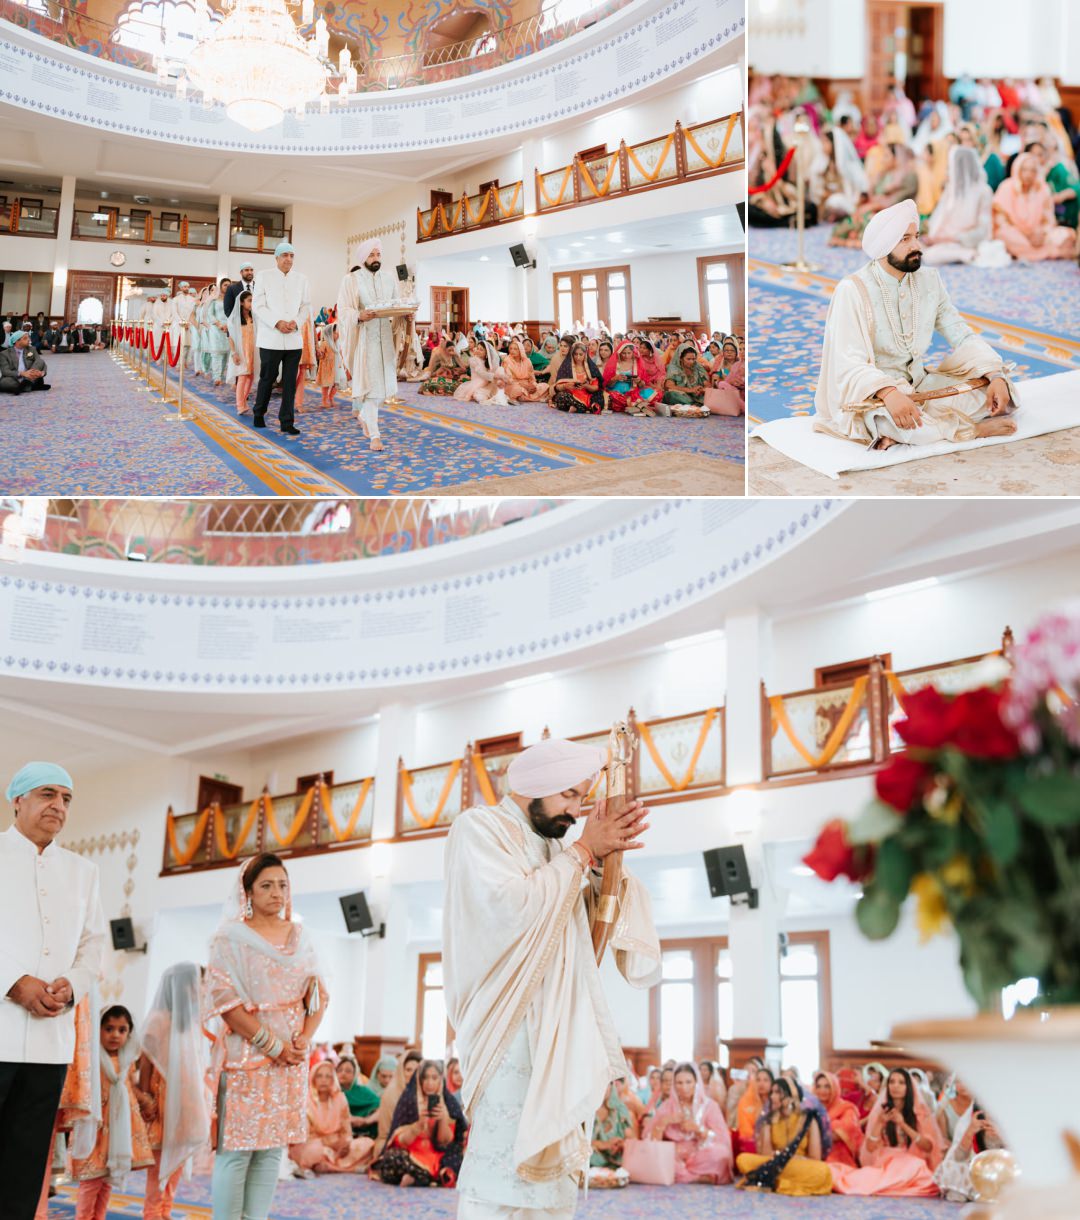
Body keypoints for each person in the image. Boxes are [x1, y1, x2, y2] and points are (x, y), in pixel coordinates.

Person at [445, 736, 660, 1218]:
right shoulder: (480, 828)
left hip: (556, 1024)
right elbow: (508, 910)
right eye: (568, 796)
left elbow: (577, 933)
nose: (575, 810)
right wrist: (584, 853)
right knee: (503, 1183)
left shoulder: (556, 847)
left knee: (550, 1193)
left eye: (582, 798)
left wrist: (608, 871)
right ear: (532, 785)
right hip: (507, 1025)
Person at [814, 198, 1019, 450]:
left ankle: (925, 430)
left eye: (916, 236)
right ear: (883, 246)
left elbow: (960, 332)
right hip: (877, 394)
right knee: (887, 420)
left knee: (997, 394)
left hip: (921, 385)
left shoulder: (929, 281)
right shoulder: (853, 290)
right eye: (904, 239)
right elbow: (848, 362)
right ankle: (970, 430)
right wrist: (889, 393)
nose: (916, 246)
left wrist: (994, 375)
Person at [1, 762, 106, 1220]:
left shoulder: (83, 872)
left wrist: (74, 983)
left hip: (51, 1042)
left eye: (66, 799)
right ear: (18, 800)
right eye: (47, 795)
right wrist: (13, 983)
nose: (58, 806)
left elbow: (95, 945)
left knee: (25, 1167)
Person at [204, 853, 328, 1220]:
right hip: (247, 1058)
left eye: (283, 885)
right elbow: (225, 1002)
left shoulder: (301, 937)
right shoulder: (229, 938)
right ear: (248, 892)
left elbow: (318, 995)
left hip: (289, 1061)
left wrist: (304, 1039)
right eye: (267, 886)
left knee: (272, 1149)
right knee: (237, 1151)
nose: (277, 893)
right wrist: (273, 1045)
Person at [137, 962, 210, 1220]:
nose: (201, 990)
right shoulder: (159, 1019)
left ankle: (166, 1209)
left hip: (186, 1099)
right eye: (197, 984)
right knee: (159, 1163)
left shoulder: (189, 1021)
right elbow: (146, 1059)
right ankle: (152, 1212)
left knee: (178, 1156)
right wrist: (145, 1096)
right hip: (163, 1098)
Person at [72, 1005, 153, 1220]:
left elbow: (128, 1090)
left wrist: (143, 1101)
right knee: (90, 1182)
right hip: (95, 1130)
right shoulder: (91, 1059)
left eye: (121, 1030)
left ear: (129, 1033)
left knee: (107, 1181)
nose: (115, 1035)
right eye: (108, 1028)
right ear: (97, 1029)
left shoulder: (127, 1062)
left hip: (118, 1132)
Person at [337, 237, 412, 452]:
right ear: (363, 258)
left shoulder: (389, 280)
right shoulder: (351, 280)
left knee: (380, 389)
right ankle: (375, 435)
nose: (376, 258)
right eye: (371, 255)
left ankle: (364, 416)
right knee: (370, 388)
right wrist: (359, 315)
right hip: (364, 341)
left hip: (385, 340)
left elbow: (396, 305)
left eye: (378, 254)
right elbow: (343, 311)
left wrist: (405, 315)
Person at [830, 1067, 943, 1196]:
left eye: (901, 1083)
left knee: (922, 1173)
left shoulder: (919, 1112)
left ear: (909, 1087)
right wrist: (880, 1123)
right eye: (892, 1082)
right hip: (887, 1159)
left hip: (910, 1160)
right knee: (859, 1180)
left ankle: (891, 1185)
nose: (895, 1086)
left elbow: (928, 1147)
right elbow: (870, 1148)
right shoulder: (881, 1111)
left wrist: (903, 1124)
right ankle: (891, 1184)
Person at [375, 1059, 468, 1187]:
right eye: (425, 1078)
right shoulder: (409, 1100)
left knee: (458, 1160)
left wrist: (442, 1119)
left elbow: (445, 1143)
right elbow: (401, 1141)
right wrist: (417, 1126)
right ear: (419, 1079)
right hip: (413, 1152)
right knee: (391, 1159)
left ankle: (419, 1176)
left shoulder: (448, 1102)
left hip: (438, 1154)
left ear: (441, 1080)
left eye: (434, 1078)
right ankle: (429, 1177)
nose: (429, 1083)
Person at [735, 1076, 832, 1196]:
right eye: (772, 1092)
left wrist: (793, 1159)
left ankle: (776, 1180)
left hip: (799, 1165)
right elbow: (766, 1155)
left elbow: (815, 1157)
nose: (772, 1097)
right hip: (775, 1163)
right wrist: (768, 1123)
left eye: (777, 1093)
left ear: (791, 1096)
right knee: (743, 1159)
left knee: (823, 1170)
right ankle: (781, 1180)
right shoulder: (770, 1119)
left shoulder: (808, 1120)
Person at [252, 242, 311, 438]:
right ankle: (259, 412)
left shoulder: (301, 279)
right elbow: (258, 306)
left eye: (292, 255)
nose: (289, 259)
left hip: (293, 339)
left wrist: (296, 322)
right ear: (276, 258)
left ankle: (287, 421)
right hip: (271, 338)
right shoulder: (263, 276)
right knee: (267, 378)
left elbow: (306, 306)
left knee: (289, 383)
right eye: (285, 255)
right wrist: (276, 322)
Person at [649, 1062, 732, 1184]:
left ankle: (683, 1175)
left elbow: (721, 1138)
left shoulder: (709, 1106)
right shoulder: (667, 1107)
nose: (684, 1087)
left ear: (696, 1083)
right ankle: (698, 1177)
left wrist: (698, 1129)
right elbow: (652, 1141)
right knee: (656, 1157)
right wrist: (665, 1121)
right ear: (674, 1085)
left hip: (701, 1154)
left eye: (688, 1082)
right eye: (679, 1083)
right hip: (674, 1156)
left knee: (721, 1154)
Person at [288, 1061, 376, 1175]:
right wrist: (328, 1144)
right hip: (315, 1144)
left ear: (333, 1079)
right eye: (319, 1076)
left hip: (338, 1145)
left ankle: (327, 1166)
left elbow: (346, 1129)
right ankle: (347, 1167)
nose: (324, 1080)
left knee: (367, 1144)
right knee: (313, 1151)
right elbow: (304, 1136)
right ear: (313, 1078)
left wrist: (345, 1143)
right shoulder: (306, 1101)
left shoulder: (340, 1099)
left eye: (328, 1076)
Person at [993, 152, 1077, 262]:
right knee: (1003, 235)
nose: (1028, 174)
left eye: (1032, 170)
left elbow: (1049, 220)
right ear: (1017, 169)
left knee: (1066, 235)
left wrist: (1041, 232)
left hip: (1039, 235)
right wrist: (1024, 234)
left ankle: (1027, 253)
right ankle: (1048, 252)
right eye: (1024, 170)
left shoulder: (1043, 189)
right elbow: (1001, 222)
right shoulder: (1006, 187)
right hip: (1017, 234)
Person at [921, 144, 994, 265]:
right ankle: (964, 254)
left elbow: (982, 230)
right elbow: (939, 220)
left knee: (930, 256)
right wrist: (932, 237)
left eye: (950, 166)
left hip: (964, 241)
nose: (948, 170)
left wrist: (947, 239)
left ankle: (966, 254)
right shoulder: (951, 189)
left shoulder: (984, 191)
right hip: (941, 241)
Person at [933, 1096, 1004, 1203]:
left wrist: (1002, 1137)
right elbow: (958, 1157)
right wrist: (970, 1131)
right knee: (953, 1166)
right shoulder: (972, 1120)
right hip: (981, 1169)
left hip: (1005, 1169)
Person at [373, 1049, 421, 1155]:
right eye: (408, 1070)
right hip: (393, 1141)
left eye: (416, 1070)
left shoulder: (427, 1092)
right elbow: (386, 1132)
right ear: (401, 1071)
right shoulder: (391, 1094)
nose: (413, 1074)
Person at [813, 1071, 862, 1168]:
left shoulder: (846, 1108)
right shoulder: (811, 1108)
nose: (822, 1090)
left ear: (834, 1088)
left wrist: (814, 1131)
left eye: (827, 1086)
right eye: (818, 1086)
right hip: (812, 1153)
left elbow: (843, 1131)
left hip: (838, 1156)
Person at [225, 290, 259, 416]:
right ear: (241, 302)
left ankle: (244, 402)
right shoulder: (234, 319)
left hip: (252, 350)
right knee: (242, 376)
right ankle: (239, 405)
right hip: (240, 351)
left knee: (250, 376)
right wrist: (234, 353)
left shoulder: (253, 317)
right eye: (249, 301)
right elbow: (231, 337)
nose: (252, 303)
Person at [603, 339, 657, 415]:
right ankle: (635, 405)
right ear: (619, 352)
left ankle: (633, 405)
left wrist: (638, 381)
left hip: (633, 391)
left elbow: (642, 385)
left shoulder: (637, 364)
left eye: (629, 353)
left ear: (633, 352)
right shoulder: (614, 364)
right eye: (624, 353)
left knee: (655, 394)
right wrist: (615, 378)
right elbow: (608, 385)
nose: (626, 356)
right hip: (616, 392)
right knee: (612, 398)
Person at [550, 341, 605, 413]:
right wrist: (565, 386)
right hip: (571, 395)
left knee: (600, 397)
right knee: (561, 396)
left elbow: (596, 388)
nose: (578, 357)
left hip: (587, 395)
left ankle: (579, 407)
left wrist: (586, 386)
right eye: (575, 354)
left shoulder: (591, 367)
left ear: (585, 355)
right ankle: (584, 408)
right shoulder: (566, 367)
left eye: (580, 354)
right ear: (572, 354)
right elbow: (557, 387)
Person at [590, 1083, 634, 1169]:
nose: (602, 1089)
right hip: (591, 1162)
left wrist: (621, 1144)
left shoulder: (619, 1109)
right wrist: (603, 1144)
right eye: (598, 1083)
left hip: (617, 1163)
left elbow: (631, 1139)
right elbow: (576, 1143)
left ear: (611, 1086)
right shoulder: (584, 1112)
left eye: (606, 1084)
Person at [335, 1055, 380, 1137]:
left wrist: (366, 1121)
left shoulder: (363, 1091)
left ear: (355, 1074)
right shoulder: (332, 1092)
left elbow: (381, 1107)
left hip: (366, 1132)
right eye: (339, 1070)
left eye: (348, 1071)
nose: (343, 1073)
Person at [453, 340, 510, 404]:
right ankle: (492, 395)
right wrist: (495, 376)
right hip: (477, 384)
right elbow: (482, 373)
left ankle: (500, 393)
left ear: (486, 353)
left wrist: (498, 376)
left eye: (481, 350)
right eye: (478, 348)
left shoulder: (487, 362)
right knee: (480, 396)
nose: (478, 351)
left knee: (500, 369)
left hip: (488, 383)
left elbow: (494, 371)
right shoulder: (473, 360)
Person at [662, 342, 710, 415]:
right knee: (671, 395)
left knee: (710, 395)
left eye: (693, 359)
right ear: (681, 358)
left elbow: (707, 385)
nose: (692, 362)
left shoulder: (698, 366)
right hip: (683, 395)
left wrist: (702, 390)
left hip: (697, 395)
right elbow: (669, 386)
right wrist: (690, 390)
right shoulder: (673, 368)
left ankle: (693, 406)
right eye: (688, 359)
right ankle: (694, 406)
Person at [735, 1066, 774, 1156]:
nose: (761, 1084)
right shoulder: (745, 1101)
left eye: (765, 1080)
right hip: (752, 1141)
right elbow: (745, 1130)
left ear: (772, 1083)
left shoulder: (776, 1102)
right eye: (758, 1080)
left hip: (773, 1142)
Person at [204, 277, 232, 385]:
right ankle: (216, 377)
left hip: (229, 329)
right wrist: (219, 324)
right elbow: (210, 314)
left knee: (226, 353)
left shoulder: (232, 299)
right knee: (216, 353)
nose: (227, 287)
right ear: (221, 286)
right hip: (216, 329)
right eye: (225, 285)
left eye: (229, 285)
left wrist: (228, 325)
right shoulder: (214, 300)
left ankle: (221, 374)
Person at [502, 337, 547, 402]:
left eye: (515, 349)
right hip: (514, 384)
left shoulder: (527, 361)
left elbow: (532, 377)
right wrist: (524, 386)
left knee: (545, 386)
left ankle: (525, 397)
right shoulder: (507, 361)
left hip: (528, 384)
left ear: (520, 350)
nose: (512, 351)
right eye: (510, 349)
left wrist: (532, 385)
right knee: (516, 390)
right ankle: (531, 397)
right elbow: (509, 380)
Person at [314, 326, 337, 408]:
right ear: (329, 334)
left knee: (336, 384)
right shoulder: (325, 343)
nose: (337, 334)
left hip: (335, 367)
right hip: (326, 367)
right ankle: (324, 400)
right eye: (335, 333)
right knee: (326, 384)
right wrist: (320, 353)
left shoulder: (337, 343)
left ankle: (331, 398)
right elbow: (320, 354)